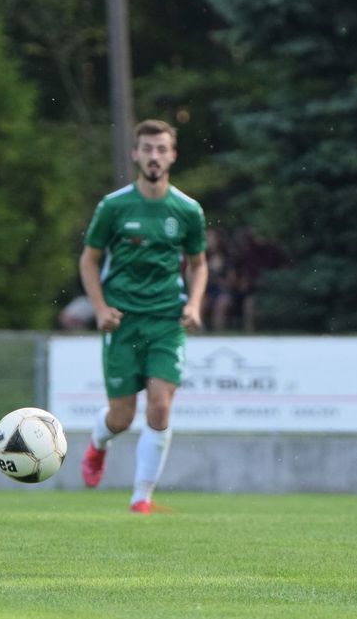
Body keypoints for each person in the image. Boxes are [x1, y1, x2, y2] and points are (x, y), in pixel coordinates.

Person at [77, 119, 207, 514]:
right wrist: (99, 309)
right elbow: (89, 260)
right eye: (147, 148)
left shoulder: (187, 210)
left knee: (161, 406)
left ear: (172, 156)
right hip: (123, 320)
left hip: (167, 320)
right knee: (121, 416)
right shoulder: (114, 206)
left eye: (161, 149)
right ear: (136, 154)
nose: (154, 156)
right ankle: (99, 443)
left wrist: (194, 304)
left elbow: (199, 264)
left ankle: (141, 497)